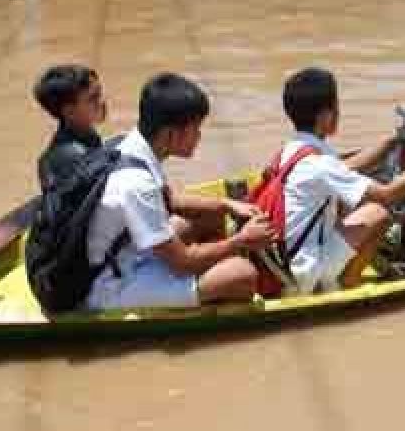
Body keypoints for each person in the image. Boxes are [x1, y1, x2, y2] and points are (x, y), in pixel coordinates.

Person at [85, 73, 275, 309]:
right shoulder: (136, 183)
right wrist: (241, 242)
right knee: (243, 275)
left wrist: (227, 205)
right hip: (109, 285)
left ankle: (208, 276)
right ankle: (214, 285)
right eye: (195, 129)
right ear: (170, 135)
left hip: (124, 255)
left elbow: (170, 201)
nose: (199, 136)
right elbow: (182, 263)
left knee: (211, 213)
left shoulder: (128, 144)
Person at [277, 67, 405, 295]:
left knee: (350, 201)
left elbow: (348, 167)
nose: (339, 112)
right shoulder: (320, 163)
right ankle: (343, 283)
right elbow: (389, 194)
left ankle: (339, 270)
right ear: (325, 116)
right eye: (336, 106)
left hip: (292, 254)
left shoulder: (294, 149)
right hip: (307, 268)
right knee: (378, 213)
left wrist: (395, 137)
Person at [33, 64, 107, 193]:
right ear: (69, 111)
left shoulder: (86, 136)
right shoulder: (76, 159)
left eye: (100, 93)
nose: (102, 102)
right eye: (93, 98)